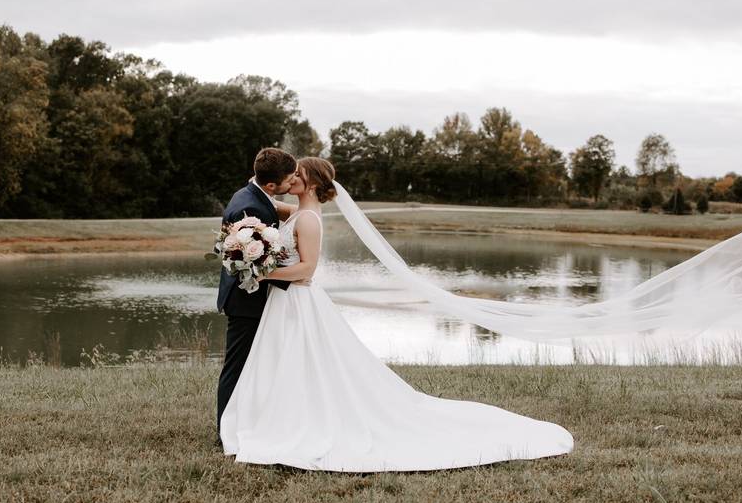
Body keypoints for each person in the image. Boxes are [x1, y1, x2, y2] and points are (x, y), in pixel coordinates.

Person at [219, 157, 574, 471]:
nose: (292, 177)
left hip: (298, 299)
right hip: (286, 304)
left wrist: (262, 272)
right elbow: (273, 210)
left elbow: (307, 270)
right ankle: (279, 418)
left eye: (298, 174)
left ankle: (301, 423)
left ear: (310, 182)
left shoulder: (308, 219)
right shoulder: (297, 212)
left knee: (310, 365)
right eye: (290, 174)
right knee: (289, 364)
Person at [215, 147, 298, 437]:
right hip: (246, 300)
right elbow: (252, 263)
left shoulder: (253, 195)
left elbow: (274, 209)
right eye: (290, 180)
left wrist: (306, 210)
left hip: (253, 297)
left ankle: (252, 422)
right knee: (236, 367)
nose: (293, 182)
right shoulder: (249, 209)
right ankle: (225, 431)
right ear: (272, 185)